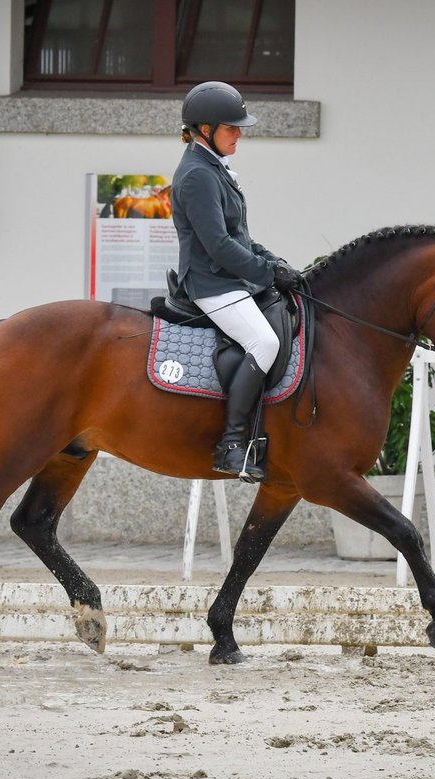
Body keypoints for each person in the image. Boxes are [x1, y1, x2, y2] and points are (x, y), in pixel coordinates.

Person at [171, 81, 300, 483]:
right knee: (265, 342)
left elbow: (240, 237)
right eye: (232, 127)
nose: (239, 133)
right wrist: (266, 273)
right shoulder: (197, 175)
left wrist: (273, 261)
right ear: (205, 129)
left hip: (230, 280)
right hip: (211, 284)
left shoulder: (213, 168)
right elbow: (219, 246)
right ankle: (232, 445)